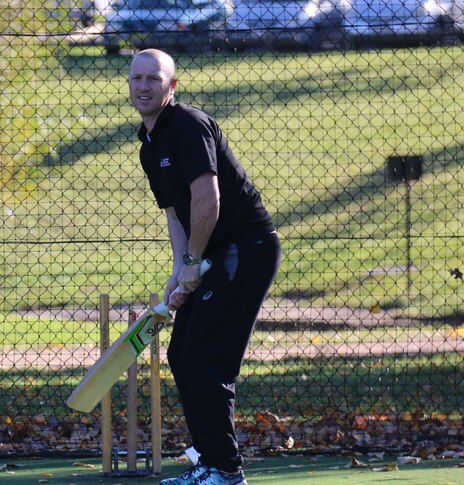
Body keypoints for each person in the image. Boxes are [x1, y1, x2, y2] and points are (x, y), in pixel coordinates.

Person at [128, 49, 282, 485]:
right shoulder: (149, 143)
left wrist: (194, 263)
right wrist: (180, 272)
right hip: (212, 254)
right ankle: (209, 464)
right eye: (136, 78)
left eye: (153, 79)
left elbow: (207, 200)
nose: (143, 86)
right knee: (182, 353)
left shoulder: (189, 125)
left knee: (206, 357)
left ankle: (226, 471)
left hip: (244, 249)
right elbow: (176, 214)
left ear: (171, 87)